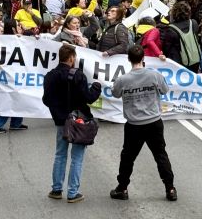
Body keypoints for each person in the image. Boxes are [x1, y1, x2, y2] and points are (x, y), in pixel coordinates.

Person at [110, 45, 177, 202]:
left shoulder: (123, 79)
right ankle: (170, 188)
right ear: (143, 59)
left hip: (134, 124)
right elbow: (165, 90)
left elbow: (115, 93)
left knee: (127, 157)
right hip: (154, 121)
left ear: (128, 59)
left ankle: (122, 188)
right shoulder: (154, 75)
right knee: (160, 155)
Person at [42, 44, 102, 203]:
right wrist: (96, 87)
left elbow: (46, 100)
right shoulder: (78, 76)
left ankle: (56, 189)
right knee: (77, 157)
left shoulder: (50, 76)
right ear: (71, 58)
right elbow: (89, 98)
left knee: (60, 154)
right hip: (79, 121)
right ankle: (72, 192)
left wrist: (58, 111)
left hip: (61, 121)